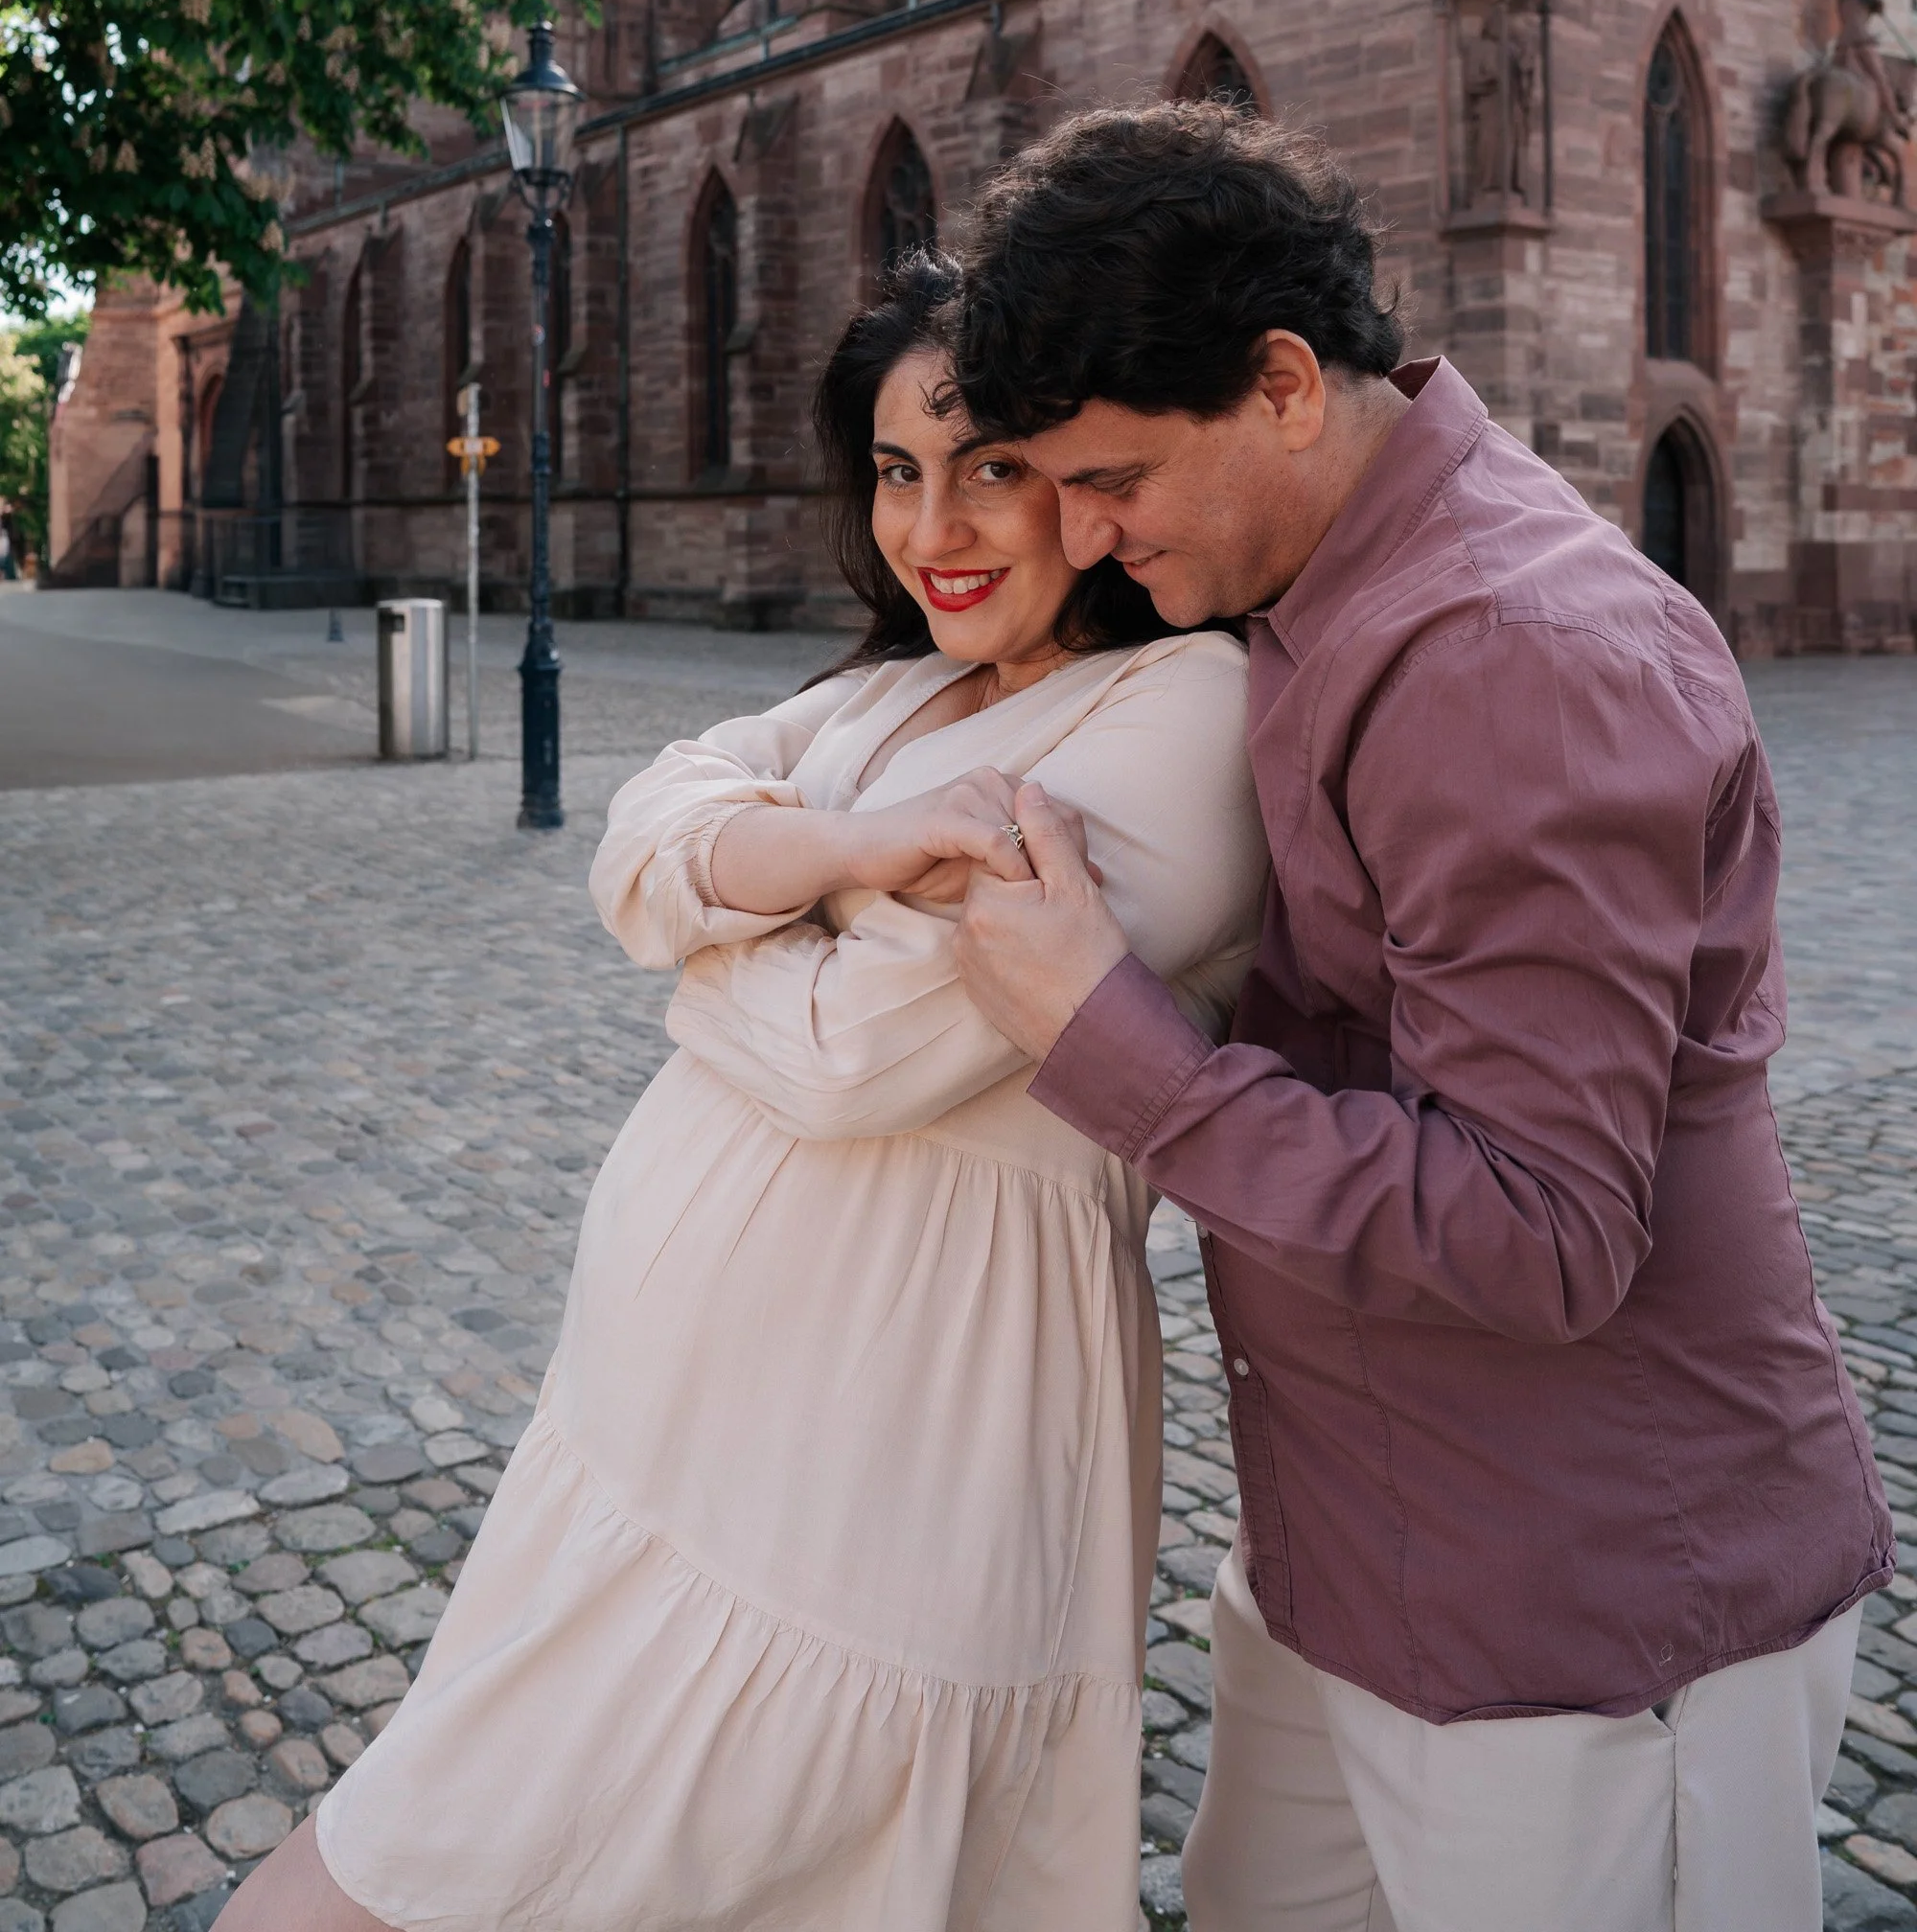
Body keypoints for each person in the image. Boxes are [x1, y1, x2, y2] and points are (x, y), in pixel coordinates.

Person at [225, 249, 1268, 1932]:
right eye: (894, 472)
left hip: (893, 1449)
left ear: (1085, 477)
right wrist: (848, 857)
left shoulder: (1187, 707)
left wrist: (716, 917)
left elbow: (854, 1055)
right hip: (647, 1440)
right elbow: (646, 824)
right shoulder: (896, 687)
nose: (930, 529)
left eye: (989, 467)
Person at [944, 103, 1892, 1932]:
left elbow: (1543, 1235)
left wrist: (1110, 1039)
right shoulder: (1321, 576)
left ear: (1286, 382)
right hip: (1356, 1549)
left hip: (1592, 1615)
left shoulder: (1507, 658)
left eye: (1114, 477)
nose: (1077, 530)